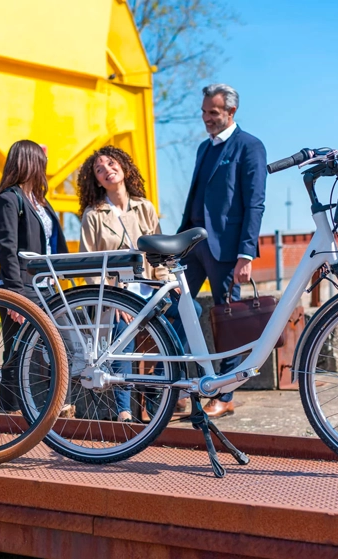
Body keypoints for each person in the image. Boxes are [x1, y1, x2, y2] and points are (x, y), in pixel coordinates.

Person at [78, 145, 199, 422]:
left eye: (111, 163)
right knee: (122, 328)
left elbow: (161, 250)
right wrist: (111, 298)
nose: (107, 170)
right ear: (96, 180)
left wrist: (170, 281)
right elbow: (90, 265)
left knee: (192, 311)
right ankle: (123, 407)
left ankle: (158, 386)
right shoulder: (93, 215)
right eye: (99, 169)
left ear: (123, 167)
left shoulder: (144, 207)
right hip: (118, 293)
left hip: (150, 289)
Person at [178, 83, 267, 419]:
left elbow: (254, 204)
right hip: (193, 244)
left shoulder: (250, 147)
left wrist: (246, 254)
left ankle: (225, 394)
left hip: (227, 250)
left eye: (212, 113)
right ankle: (181, 390)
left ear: (231, 112)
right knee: (178, 312)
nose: (206, 119)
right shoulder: (204, 148)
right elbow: (194, 199)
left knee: (226, 320)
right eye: (203, 113)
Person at [0, 140, 69, 414]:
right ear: (30, 162)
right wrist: (15, 295)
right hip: (20, 284)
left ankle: (35, 407)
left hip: (45, 285)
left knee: (53, 346)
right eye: (42, 161)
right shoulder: (8, 199)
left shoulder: (41, 203)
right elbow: (7, 248)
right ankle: (12, 411)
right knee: (18, 351)